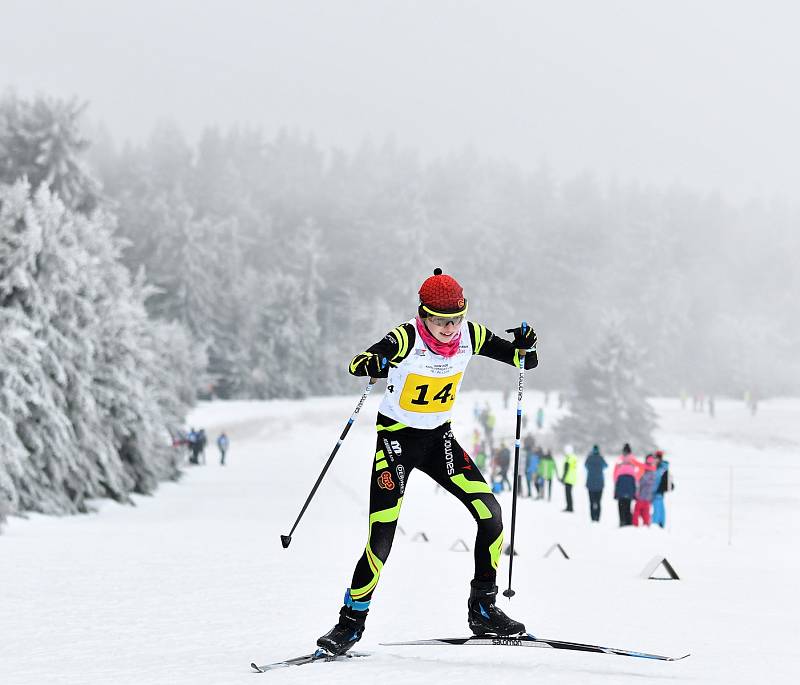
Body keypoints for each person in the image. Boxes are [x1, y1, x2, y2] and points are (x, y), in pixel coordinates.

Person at [316, 268, 539, 655]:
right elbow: (357, 363)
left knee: (491, 514)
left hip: (440, 442)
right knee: (381, 538)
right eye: (441, 322)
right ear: (424, 316)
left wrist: (526, 345)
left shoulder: (472, 335)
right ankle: (350, 624)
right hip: (397, 443)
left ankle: (483, 610)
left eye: (456, 320)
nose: (450, 330)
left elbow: (524, 361)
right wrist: (372, 363)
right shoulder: (406, 337)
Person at [613, 443, 637, 526]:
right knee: (628, 504)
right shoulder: (633, 459)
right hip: (630, 482)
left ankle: (622, 521)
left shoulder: (620, 459)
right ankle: (628, 522)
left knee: (621, 504)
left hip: (621, 482)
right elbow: (636, 472)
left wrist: (616, 482)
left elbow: (615, 473)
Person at [584, 444, 607, 522]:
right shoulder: (601, 458)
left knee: (591, 502)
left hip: (590, 483)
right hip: (600, 484)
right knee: (598, 502)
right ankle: (597, 517)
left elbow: (585, 466)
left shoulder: (589, 458)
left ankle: (592, 517)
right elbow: (606, 466)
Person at [632, 455, 657, 526]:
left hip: (641, 497)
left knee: (637, 512)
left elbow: (640, 482)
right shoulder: (654, 472)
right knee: (645, 513)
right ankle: (646, 525)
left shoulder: (643, 471)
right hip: (648, 497)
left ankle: (635, 525)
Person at [651, 450, 673, 528]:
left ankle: (656, 525)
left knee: (658, 509)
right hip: (654, 492)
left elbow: (663, 481)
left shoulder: (662, 469)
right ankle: (658, 524)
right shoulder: (657, 468)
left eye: (656, 458)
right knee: (659, 509)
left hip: (658, 492)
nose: (654, 460)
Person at [560, 445, 578, 512]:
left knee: (568, 494)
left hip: (568, 478)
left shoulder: (568, 458)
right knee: (569, 493)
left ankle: (569, 507)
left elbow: (566, 469)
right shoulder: (574, 457)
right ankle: (570, 506)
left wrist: (563, 478)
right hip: (573, 478)